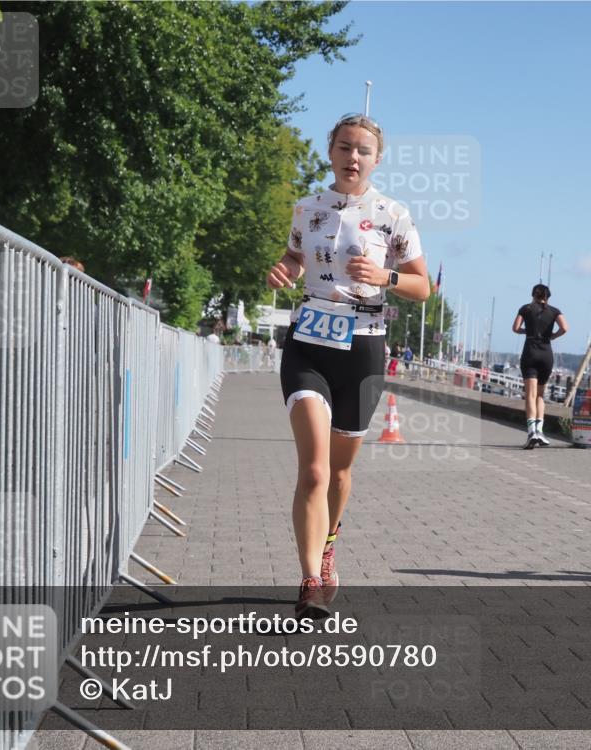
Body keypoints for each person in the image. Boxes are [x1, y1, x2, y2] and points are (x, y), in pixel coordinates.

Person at [266, 113, 430, 619]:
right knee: (313, 470)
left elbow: (423, 286)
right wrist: (285, 269)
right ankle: (310, 579)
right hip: (309, 342)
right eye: (344, 147)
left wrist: (386, 276)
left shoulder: (392, 215)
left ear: (376, 160)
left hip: (362, 346)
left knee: (339, 474)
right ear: (330, 152)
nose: (352, 157)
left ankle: (330, 543)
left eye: (362, 150)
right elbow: (296, 257)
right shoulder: (306, 208)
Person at [512, 284, 568, 449]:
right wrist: (552, 336)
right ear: (547, 297)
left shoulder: (525, 309)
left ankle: (531, 433)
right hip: (546, 353)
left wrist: (527, 331)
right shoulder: (555, 311)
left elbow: (515, 328)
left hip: (530, 351)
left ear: (533, 295)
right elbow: (565, 328)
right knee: (540, 395)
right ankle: (540, 431)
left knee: (530, 395)